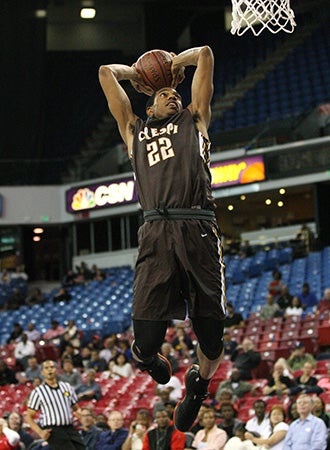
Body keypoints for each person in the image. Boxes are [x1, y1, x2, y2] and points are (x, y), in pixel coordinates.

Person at [99, 45, 226, 432]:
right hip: (155, 230)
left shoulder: (195, 118)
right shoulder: (134, 130)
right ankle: (150, 358)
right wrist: (137, 72)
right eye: (163, 94)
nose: (173, 95)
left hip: (199, 227)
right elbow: (106, 73)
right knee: (146, 343)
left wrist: (172, 65)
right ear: (149, 107)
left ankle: (199, 386)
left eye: (175, 92)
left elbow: (205, 54)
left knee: (212, 336)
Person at [26, 360, 85, 450]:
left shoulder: (67, 387)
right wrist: (40, 432)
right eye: (46, 368)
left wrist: (82, 417)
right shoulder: (38, 392)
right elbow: (29, 417)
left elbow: (76, 408)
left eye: (52, 367)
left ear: (57, 370)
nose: (50, 370)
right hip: (53, 430)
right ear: (42, 372)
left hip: (69, 427)